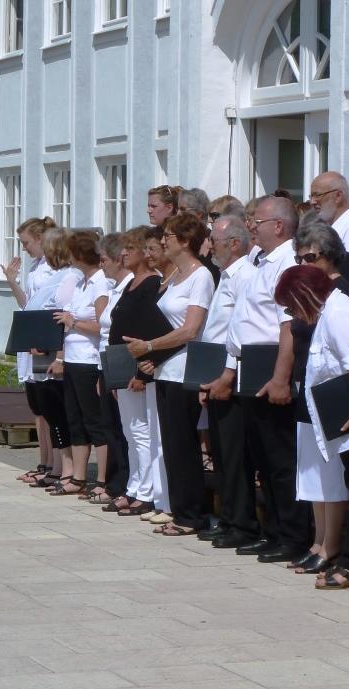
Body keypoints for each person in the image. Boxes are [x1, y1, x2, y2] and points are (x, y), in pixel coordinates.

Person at [209, 195, 310, 563]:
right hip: (249, 364)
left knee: (280, 459)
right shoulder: (262, 261)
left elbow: (287, 326)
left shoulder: (287, 263)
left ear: (279, 226)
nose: (251, 226)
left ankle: (292, 536)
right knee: (263, 458)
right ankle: (273, 530)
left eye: (257, 221)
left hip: (271, 365)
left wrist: (281, 378)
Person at [126, 214, 214, 534]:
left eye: (169, 236)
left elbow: (190, 329)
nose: (164, 241)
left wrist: (150, 345)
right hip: (165, 368)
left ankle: (192, 515)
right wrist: (152, 354)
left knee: (183, 445)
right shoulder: (177, 276)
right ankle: (179, 510)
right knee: (171, 445)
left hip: (185, 369)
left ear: (185, 241)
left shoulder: (201, 276)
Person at [281, 220, 349, 574]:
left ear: (329, 256)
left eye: (310, 257)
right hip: (307, 386)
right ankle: (319, 540)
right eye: (299, 258)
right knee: (311, 470)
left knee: (330, 472)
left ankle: (331, 544)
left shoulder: (339, 293)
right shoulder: (309, 292)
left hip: (329, 391)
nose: (304, 264)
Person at [198, 216, 261, 550]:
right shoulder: (225, 276)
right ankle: (229, 517)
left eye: (215, 240)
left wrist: (227, 374)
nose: (210, 246)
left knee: (235, 455)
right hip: (215, 374)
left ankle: (243, 523)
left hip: (232, 377)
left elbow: (241, 332)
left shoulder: (245, 277)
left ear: (234, 244)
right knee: (222, 453)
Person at [106, 226, 170, 523]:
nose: (123, 254)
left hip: (139, 365)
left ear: (144, 253)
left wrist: (142, 372)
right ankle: (134, 485)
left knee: (142, 431)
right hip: (121, 363)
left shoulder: (152, 283)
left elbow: (150, 329)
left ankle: (146, 491)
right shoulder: (132, 283)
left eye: (129, 248)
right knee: (130, 431)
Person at [49, 231, 115, 497]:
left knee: (94, 420)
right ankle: (77, 476)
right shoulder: (80, 283)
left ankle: (102, 478)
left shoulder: (101, 283)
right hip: (73, 360)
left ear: (80, 255)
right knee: (75, 420)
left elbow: (103, 325)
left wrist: (73, 322)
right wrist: (61, 357)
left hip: (90, 360)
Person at [1, 216, 57, 484]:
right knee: (37, 408)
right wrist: (12, 281)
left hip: (43, 341)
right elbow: (27, 305)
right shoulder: (35, 267)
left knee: (48, 407)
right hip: (31, 338)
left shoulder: (53, 269)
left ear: (40, 239)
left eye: (26, 243)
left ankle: (53, 464)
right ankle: (44, 461)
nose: (23, 248)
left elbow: (48, 307)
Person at [23, 227, 79, 490]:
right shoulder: (58, 275)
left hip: (54, 351)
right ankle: (56, 466)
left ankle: (65, 468)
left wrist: (59, 356)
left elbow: (62, 315)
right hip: (42, 348)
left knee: (56, 410)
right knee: (48, 409)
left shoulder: (70, 276)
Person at [88, 232, 133, 504]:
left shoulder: (128, 287)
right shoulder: (114, 288)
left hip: (121, 362)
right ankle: (116, 483)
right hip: (107, 362)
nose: (101, 264)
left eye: (104, 259)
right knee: (111, 425)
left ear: (119, 259)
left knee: (123, 428)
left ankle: (123, 483)